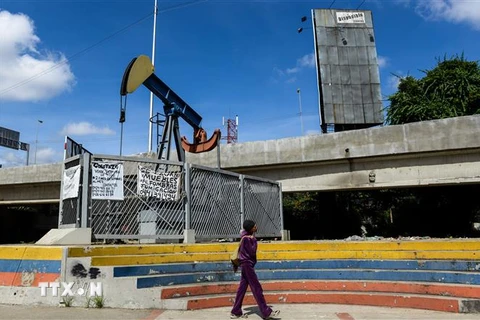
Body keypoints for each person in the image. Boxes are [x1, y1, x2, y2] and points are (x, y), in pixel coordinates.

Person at [230, 219, 280, 320]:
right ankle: (266, 312)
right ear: (251, 228)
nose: (256, 226)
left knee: (242, 288)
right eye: (254, 226)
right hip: (247, 265)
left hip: (245, 265)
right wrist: (254, 240)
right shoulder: (248, 239)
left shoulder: (245, 238)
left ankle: (235, 311)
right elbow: (252, 252)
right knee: (256, 288)